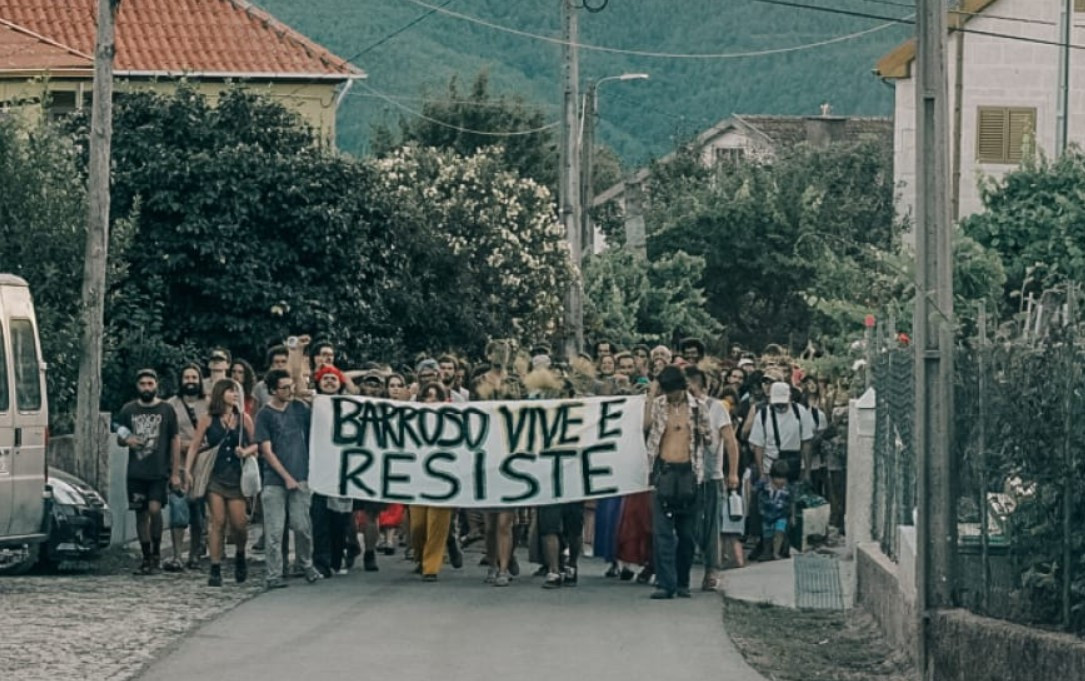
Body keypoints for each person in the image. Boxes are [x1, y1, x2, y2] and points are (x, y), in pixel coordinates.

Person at [644, 366, 711, 600]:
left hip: (689, 473)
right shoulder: (660, 404)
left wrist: (701, 432)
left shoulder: (698, 408)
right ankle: (666, 583)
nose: (670, 396)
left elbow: (709, 437)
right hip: (664, 471)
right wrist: (652, 395)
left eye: (673, 391)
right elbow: (645, 427)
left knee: (687, 534)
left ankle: (682, 581)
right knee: (662, 532)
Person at [184, 379, 258, 587]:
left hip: (236, 476)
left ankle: (240, 555)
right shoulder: (207, 419)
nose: (234, 395)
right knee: (217, 521)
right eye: (230, 391)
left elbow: (256, 445)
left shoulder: (244, 419)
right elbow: (195, 446)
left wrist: (245, 451)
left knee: (239, 524)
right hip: (215, 475)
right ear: (220, 393)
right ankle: (215, 568)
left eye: (237, 391)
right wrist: (188, 471)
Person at [254, 368, 321, 589]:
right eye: (284, 388)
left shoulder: (299, 409)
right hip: (275, 480)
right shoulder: (265, 414)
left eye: (290, 387)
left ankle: (305, 563)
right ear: (273, 390)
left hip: (300, 475)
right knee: (274, 530)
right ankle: (273, 574)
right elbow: (266, 450)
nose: (289, 391)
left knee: (302, 526)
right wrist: (285, 476)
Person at [116, 369, 181, 575]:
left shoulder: (166, 410)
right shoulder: (129, 409)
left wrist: (175, 470)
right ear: (137, 386)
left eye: (150, 383)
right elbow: (119, 434)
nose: (147, 387)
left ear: (156, 385)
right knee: (140, 513)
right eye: (143, 384)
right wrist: (128, 439)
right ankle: (146, 557)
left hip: (159, 470)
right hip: (136, 471)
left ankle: (156, 551)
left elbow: (175, 439)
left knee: (155, 509)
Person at [685, 366, 740, 591]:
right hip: (684, 476)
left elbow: (730, 441)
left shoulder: (716, 408)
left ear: (702, 387)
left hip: (710, 475)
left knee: (710, 525)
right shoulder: (676, 408)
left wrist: (732, 472)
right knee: (688, 524)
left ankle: (712, 570)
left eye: (690, 387)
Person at [409, 382, 456, 581]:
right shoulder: (411, 421)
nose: (432, 400)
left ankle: (431, 567)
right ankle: (420, 556)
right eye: (427, 396)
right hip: (417, 481)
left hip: (444, 483)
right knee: (418, 526)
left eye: (436, 397)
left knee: (437, 525)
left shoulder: (454, 422)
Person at [165, 364, 209, 570]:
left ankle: (195, 553)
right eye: (186, 377)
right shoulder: (171, 405)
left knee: (198, 510)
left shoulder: (208, 404)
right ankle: (176, 555)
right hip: (178, 464)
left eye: (194, 377)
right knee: (178, 508)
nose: (190, 381)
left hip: (201, 463)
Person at [757, 460, 792, 561]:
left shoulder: (788, 489)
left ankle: (776, 552)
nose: (780, 482)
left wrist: (792, 515)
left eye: (783, 479)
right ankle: (767, 552)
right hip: (767, 514)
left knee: (779, 531)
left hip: (781, 514)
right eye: (778, 478)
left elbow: (792, 501)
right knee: (767, 534)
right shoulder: (765, 486)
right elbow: (756, 492)